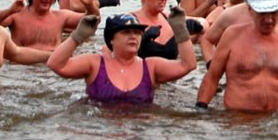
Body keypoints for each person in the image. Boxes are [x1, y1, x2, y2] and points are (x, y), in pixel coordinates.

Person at [196, 0, 278, 112]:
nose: (268, 19)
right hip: (236, 118)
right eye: (262, 13)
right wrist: (201, 108)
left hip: (277, 119)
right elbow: (212, 77)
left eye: (274, 12)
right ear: (250, 10)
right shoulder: (232, 35)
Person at [46, 11, 197, 104]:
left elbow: (188, 65)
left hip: (140, 132)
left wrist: (180, 30)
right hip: (100, 132)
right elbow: (55, 64)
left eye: (137, 33)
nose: (133, 37)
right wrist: (77, 36)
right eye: (126, 32)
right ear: (111, 39)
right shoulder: (95, 63)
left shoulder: (151, 66)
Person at [131, 0, 199, 61]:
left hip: (173, 69)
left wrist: (185, 30)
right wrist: (141, 40)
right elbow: (114, 55)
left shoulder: (170, 18)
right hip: (143, 70)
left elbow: (205, 26)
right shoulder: (130, 21)